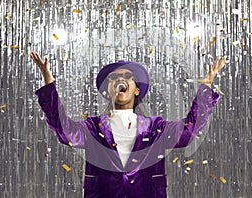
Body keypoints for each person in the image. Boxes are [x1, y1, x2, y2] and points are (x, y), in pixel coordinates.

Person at [30, 50, 228, 198]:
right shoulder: (92, 128)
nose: (120, 80)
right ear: (108, 89)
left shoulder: (156, 128)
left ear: (136, 90)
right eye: (114, 77)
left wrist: (206, 88)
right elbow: (65, 132)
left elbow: (188, 132)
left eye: (127, 77)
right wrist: (49, 83)